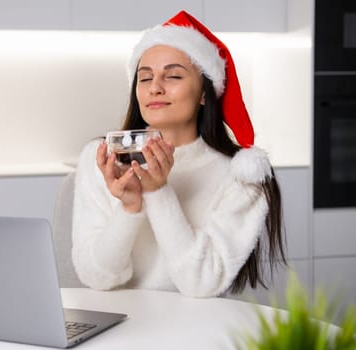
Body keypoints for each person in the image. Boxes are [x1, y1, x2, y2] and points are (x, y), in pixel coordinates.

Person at [71, 10, 286, 297]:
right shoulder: (100, 160)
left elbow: (201, 283)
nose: (155, 88)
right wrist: (129, 206)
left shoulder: (241, 178)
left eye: (172, 76)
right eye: (145, 79)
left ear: (204, 94)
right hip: (117, 329)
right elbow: (97, 277)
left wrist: (159, 192)